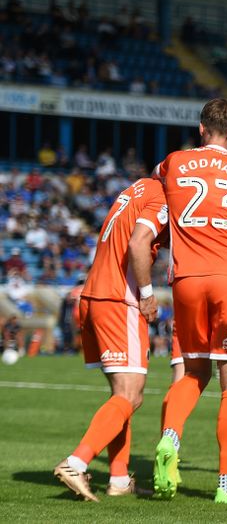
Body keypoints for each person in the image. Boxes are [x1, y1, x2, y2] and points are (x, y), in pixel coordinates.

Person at [152, 98, 227, 504]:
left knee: (193, 371)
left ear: (201, 128)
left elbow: (155, 186)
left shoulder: (174, 162)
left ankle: (170, 437)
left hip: (184, 279)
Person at [53, 177, 168, 501]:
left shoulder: (140, 186)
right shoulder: (166, 197)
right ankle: (77, 462)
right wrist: (147, 294)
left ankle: (118, 479)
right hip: (120, 299)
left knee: (123, 396)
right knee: (130, 395)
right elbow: (137, 243)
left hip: (93, 294)